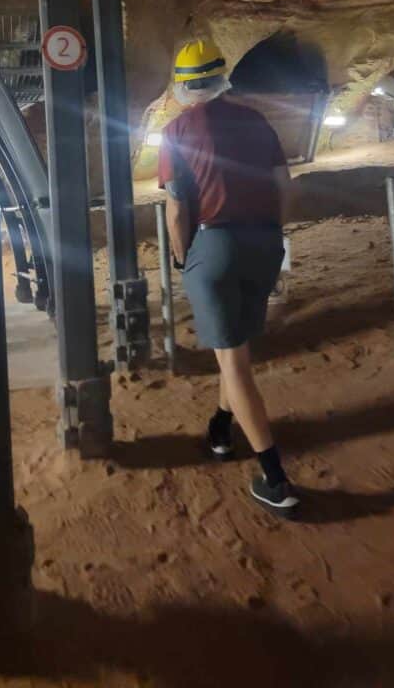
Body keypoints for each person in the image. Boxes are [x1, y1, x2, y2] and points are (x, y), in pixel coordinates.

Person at [157, 37, 298, 514]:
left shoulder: (177, 131)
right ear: (222, 78)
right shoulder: (257, 120)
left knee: (234, 362)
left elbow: (177, 210)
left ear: (182, 85)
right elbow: (283, 185)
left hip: (213, 245)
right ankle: (221, 426)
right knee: (235, 344)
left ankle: (275, 479)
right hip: (265, 243)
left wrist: (182, 259)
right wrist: (276, 240)